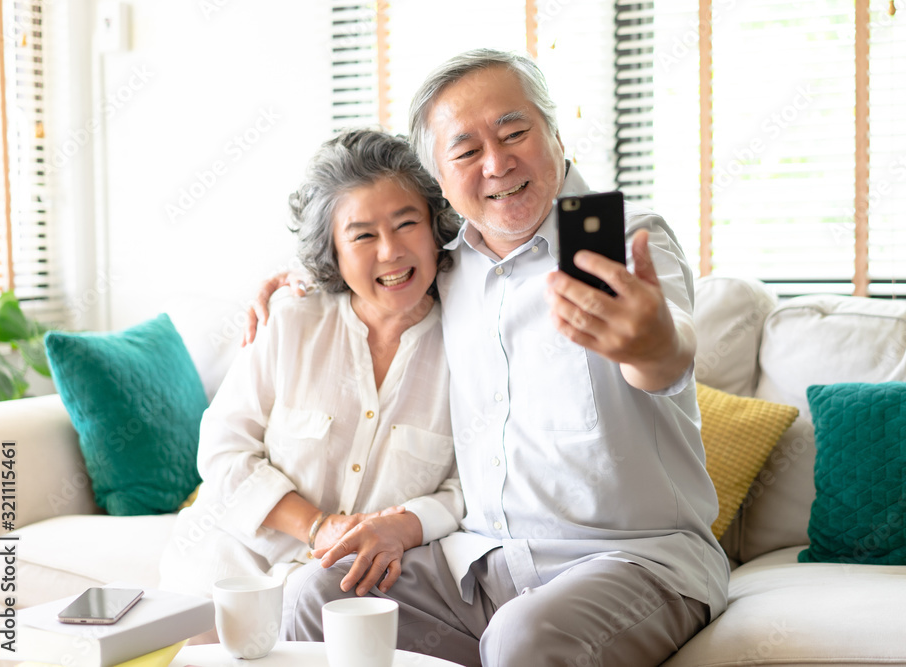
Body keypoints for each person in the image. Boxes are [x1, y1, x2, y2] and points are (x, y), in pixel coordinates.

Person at [256, 50, 729, 667]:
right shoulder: (449, 264)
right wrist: (295, 282)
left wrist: (653, 345)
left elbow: (669, 356)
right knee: (320, 595)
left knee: (524, 638)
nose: (497, 163)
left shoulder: (615, 237)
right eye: (466, 152)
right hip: (484, 563)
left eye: (514, 133)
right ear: (442, 180)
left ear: (555, 136)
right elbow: (373, 252)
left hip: (637, 559)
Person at [159, 129, 464, 606]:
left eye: (406, 224)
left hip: (347, 591)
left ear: (435, 225)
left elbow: (470, 486)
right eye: (362, 234)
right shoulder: (291, 319)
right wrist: (317, 526)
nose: (390, 251)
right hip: (224, 569)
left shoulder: (468, 345)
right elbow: (223, 450)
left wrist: (404, 525)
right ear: (333, 252)